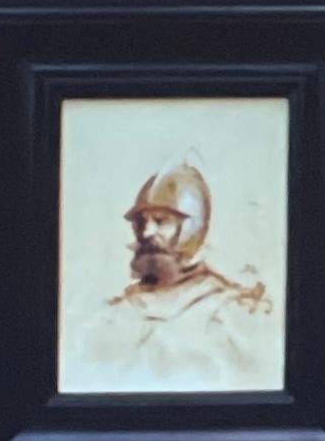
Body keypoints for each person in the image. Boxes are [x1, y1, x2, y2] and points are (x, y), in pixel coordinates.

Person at [83, 158, 276, 389]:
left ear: (192, 226)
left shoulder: (229, 309)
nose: (146, 232)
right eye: (141, 222)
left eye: (160, 221)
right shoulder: (116, 313)